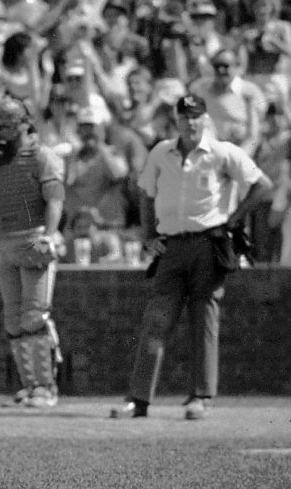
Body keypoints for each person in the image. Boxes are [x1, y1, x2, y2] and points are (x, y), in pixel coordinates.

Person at [111, 94, 273, 421]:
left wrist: (234, 219)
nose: (190, 122)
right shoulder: (161, 152)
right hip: (171, 246)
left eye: (196, 116)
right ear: (176, 120)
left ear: (205, 118)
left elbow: (262, 186)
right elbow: (146, 193)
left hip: (209, 244)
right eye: (184, 116)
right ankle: (139, 400)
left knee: (204, 322)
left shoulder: (223, 152)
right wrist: (149, 235)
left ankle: (200, 396)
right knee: (156, 320)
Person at [0, 97, 65, 409]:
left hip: (33, 239)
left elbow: (56, 197)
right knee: (13, 320)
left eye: (8, 122)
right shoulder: (0, 159)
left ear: (25, 123)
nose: (2, 128)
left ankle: (46, 386)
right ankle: (29, 384)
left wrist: (49, 234)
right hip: (6, 242)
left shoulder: (42, 156)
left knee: (35, 315)